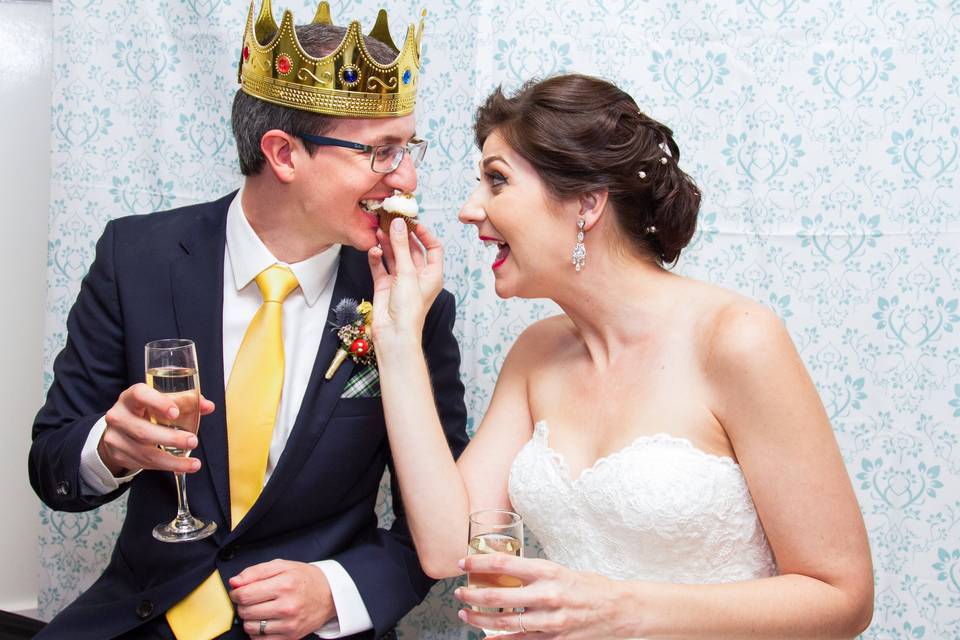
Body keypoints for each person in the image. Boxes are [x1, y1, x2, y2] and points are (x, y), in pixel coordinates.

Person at [367, 74, 874, 638]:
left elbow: (843, 599)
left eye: (496, 181)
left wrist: (621, 610)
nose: (469, 210)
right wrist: (396, 338)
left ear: (586, 203)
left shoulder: (737, 340)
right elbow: (444, 548)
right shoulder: (537, 354)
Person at [28, 3, 467, 639]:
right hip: (139, 617)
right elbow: (52, 468)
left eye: (409, 148)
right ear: (283, 154)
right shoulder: (135, 259)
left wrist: (335, 591)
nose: (407, 178)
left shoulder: (412, 305)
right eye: (381, 151)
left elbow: (435, 521)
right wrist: (109, 449)